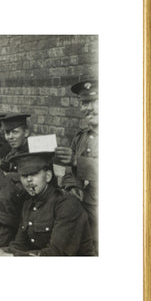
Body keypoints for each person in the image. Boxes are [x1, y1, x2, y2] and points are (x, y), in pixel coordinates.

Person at [0, 152, 95, 256]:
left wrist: (9, 256)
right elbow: (20, 245)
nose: (29, 180)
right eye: (24, 176)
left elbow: (57, 254)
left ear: (48, 176)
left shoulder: (67, 204)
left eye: (34, 174)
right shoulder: (28, 203)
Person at [55, 79, 98, 253]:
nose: (88, 108)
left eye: (94, 102)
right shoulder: (81, 137)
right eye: (84, 103)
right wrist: (72, 185)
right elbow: (67, 171)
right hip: (83, 209)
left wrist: (76, 161)